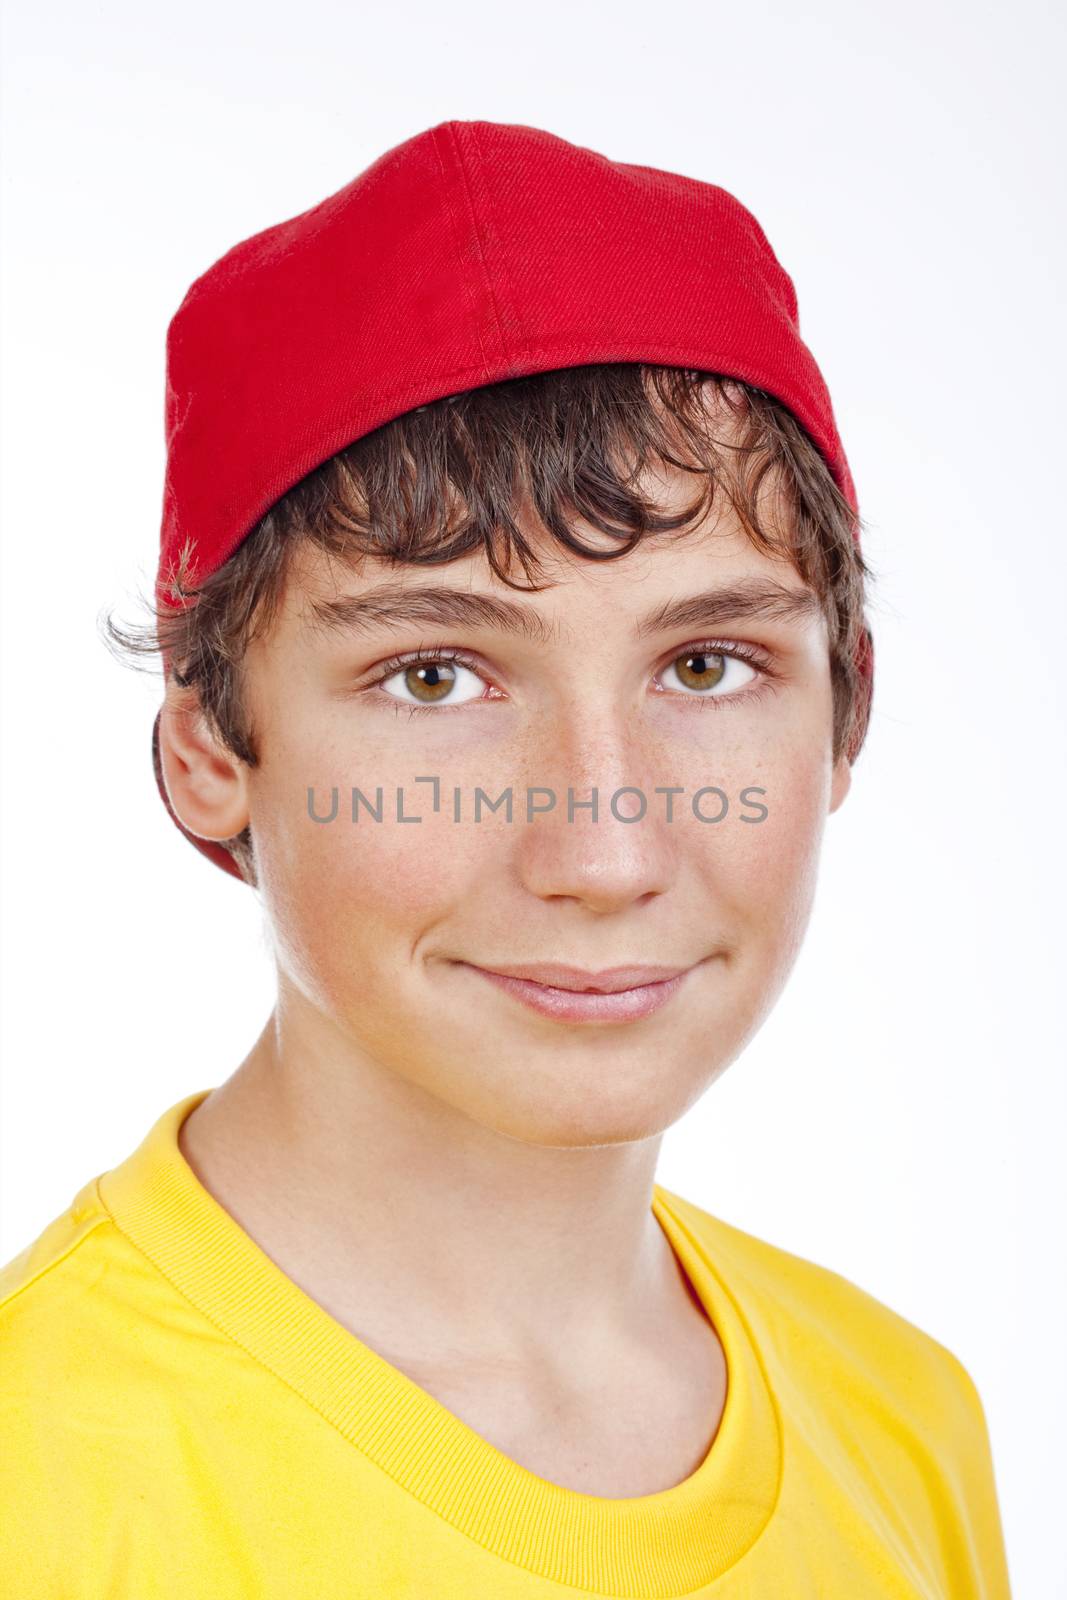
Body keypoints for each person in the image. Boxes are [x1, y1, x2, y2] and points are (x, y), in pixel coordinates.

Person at [0, 119, 1012, 1596]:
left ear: (844, 709)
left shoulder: (906, 1421)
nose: (605, 851)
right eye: (435, 678)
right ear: (211, 748)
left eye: (710, 665)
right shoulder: (44, 1485)